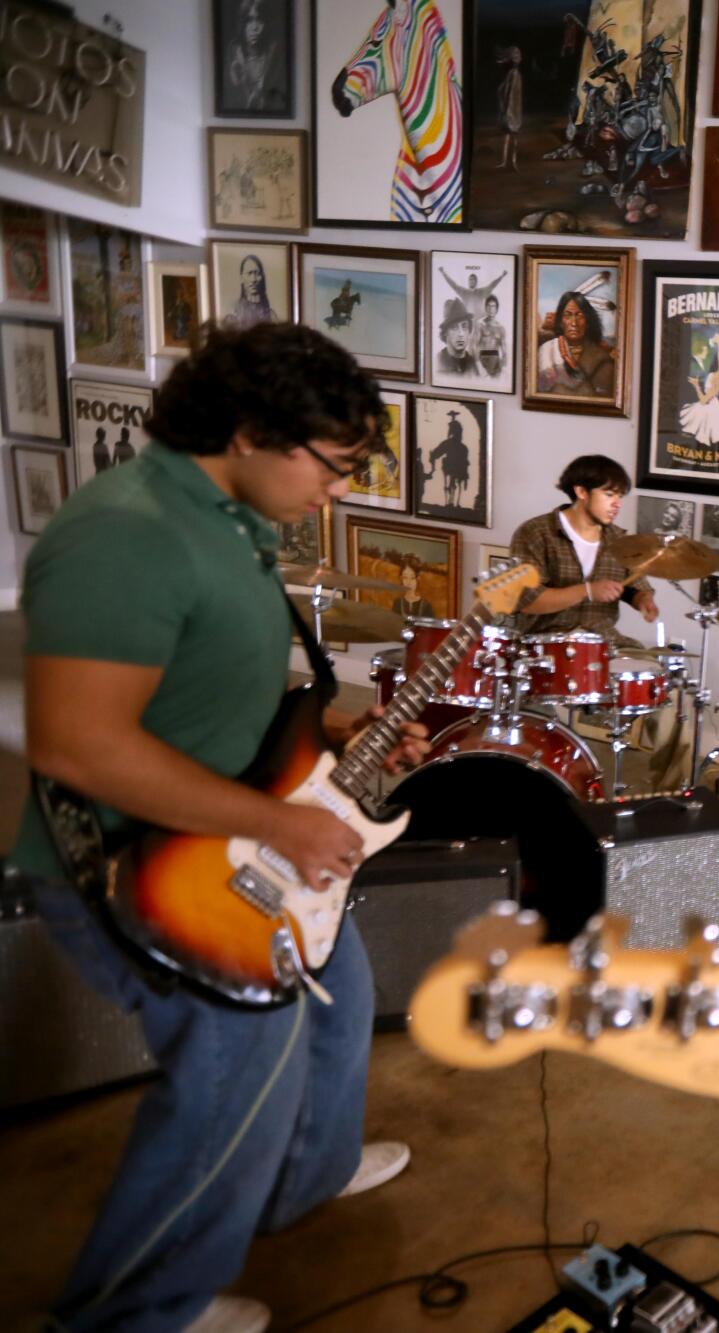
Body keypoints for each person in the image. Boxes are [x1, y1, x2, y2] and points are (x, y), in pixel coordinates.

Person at [16, 322, 429, 1333]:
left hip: (222, 830)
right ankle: (130, 1313)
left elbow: (201, 685)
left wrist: (327, 732)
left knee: (338, 997)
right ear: (249, 431)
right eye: (331, 465)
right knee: (232, 1072)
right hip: (135, 864)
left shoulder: (219, 514)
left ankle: (304, 1179)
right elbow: (78, 746)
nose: (338, 489)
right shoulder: (128, 534)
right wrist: (276, 822)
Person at [508, 455, 659, 636]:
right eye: (609, 494)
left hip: (604, 643)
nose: (617, 504)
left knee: (650, 664)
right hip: (545, 645)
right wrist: (587, 591)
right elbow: (526, 601)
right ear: (581, 492)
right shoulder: (534, 533)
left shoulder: (619, 540)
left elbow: (636, 589)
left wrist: (643, 600)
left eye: (620, 496)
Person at [534, 290, 618, 399]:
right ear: (560, 321)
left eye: (579, 315)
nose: (574, 323)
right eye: (568, 315)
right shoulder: (546, 351)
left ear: (587, 321)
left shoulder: (601, 357)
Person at [229, 253, 275, 329]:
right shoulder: (234, 315)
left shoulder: (271, 315)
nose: (253, 279)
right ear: (241, 277)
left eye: (257, 273)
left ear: (262, 277)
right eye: (249, 273)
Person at [435, 299, 478, 378]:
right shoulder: (437, 362)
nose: (461, 334)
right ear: (445, 333)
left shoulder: (474, 366)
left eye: (464, 327)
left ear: (469, 331)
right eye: (454, 328)